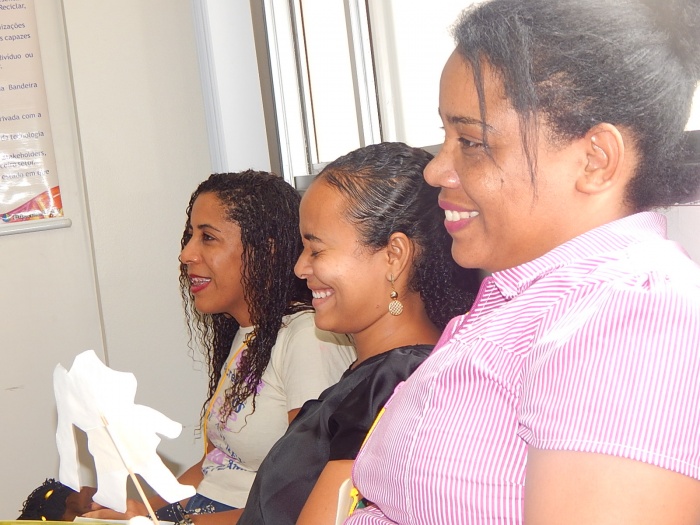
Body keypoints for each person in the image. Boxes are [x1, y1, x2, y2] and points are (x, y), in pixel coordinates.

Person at [344, 1, 700, 524]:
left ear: (595, 160)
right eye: (446, 137)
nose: (436, 170)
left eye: (471, 142)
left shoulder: (635, 315)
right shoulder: (528, 299)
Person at [87, 171, 355, 524]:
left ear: (265, 249)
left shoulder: (306, 337)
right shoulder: (250, 333)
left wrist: (179, 523)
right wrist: (144, 511)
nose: (186, 254)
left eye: (208, 238)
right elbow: (215, 466)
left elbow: (302, 493)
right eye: (190, 236)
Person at [235, 142, 480, 525]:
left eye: (316, 250)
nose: (300, 267)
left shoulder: (394, 382)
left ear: (394, 255)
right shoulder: (376, 374)